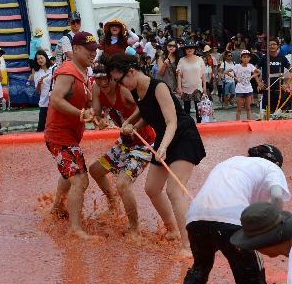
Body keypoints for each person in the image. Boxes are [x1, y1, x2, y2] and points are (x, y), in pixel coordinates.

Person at [178, 145, 289, 284]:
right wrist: (276, 223)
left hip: (196, 217)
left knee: (200, 268)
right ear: (276, 162)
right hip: (232, 221)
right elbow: (276, 196)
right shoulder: (271, 168)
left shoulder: (231, 162)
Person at [106, 53, 207, 257]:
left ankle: (189, 246)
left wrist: (162, 147)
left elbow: (172, 121)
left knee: (174, 191)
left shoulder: (158, 87)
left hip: (182, 136)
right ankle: (174, 230)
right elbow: (147, 112)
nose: (120, 85)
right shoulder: (135, 89)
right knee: (152, 188)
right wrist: (130, 123)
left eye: (119, 80)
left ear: (131, 72)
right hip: (165, 138)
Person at [88, 64, 155, 236]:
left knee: (122, 183)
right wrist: (97, 119)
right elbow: (96, 112)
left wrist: (131, 124)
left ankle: (134, 229)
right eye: (98, 78)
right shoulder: (96, 88)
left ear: (113, 77)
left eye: (105, 78)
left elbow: (147, 109)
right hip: (124, 141)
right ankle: (113, 204)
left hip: (144, 142)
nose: (102, 82)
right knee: (95, 170)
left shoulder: (123, 90)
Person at [44, 31, 98, 237]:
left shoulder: (85, 73)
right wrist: (81, 113)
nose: (93, 54)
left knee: (69, 174)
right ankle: (75, 228)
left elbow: (89, 103)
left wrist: (95, 114)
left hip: (70, 137)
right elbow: (56, 100)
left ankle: (57, 207)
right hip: (59, 137)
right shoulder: (68, 71)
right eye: (88, 50)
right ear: (75, 49)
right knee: (79, 180)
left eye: (94, 51)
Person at [258, 38, 291, 116]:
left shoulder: (282, 58)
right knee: (265, 114)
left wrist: (286, 84)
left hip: (279, 90)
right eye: (270, 45)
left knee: (280, 114)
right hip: (267, 90)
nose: (272, 46)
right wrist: (259, 82)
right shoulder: (264, 58)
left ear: (278, 46)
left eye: (274, 44)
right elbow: (255, 70)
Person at [176, 40, 205, 117]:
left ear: (194, 49)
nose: (189, 49)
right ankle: (188, 127)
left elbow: (203, 75)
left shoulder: (200, 59)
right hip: (185, 88)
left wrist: (204, 88)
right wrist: (179, 87)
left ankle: (199, 126)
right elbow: (179, 75)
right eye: (187, 48)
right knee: (186, 110)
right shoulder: (181, 60)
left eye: (191, 47)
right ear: (185, 49)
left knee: (199, 110)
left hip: (198, 88)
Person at [229, 50, 258, 121]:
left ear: (249, 58)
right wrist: (235, 78)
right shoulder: (237, 66)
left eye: (247, 57)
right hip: (239, 89)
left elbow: (258, 72)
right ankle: (237, 123)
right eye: (244, 57)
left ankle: (249, 122)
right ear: (241, 58)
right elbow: (226, 72)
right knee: (239, 108)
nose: (246, 59)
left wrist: (252, 76)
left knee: (248, 108)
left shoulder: (251, 66)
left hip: (248, 89)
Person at [31, 50, 54, 132]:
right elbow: (37, 91)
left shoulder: (53, 69)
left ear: (45, 57)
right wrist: (39, 84)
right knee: (41, 126)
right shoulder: (37, 73)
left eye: (41, 58)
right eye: (38, 59)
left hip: (54, 101)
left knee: (53, 125)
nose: (40, 60)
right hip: (44, 101)